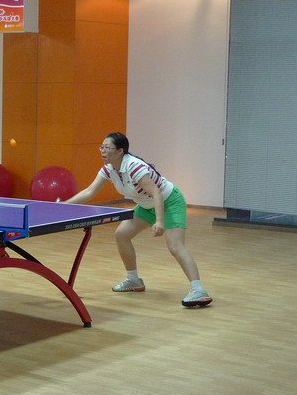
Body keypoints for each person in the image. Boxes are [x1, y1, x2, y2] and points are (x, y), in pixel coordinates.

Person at [65, 132, 212, 308]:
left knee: (175, 246)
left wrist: (159, 221)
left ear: (120, 151)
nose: (102, 151)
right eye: (101, 147)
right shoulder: (109, 169)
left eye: (107, 147)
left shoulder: (134, 167)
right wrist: (62, 206)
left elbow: (156, 193)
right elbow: (89, 192)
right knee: (122, 234)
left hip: (169, 202)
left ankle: (198, 290)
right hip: (146, 206)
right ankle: (134, 280)